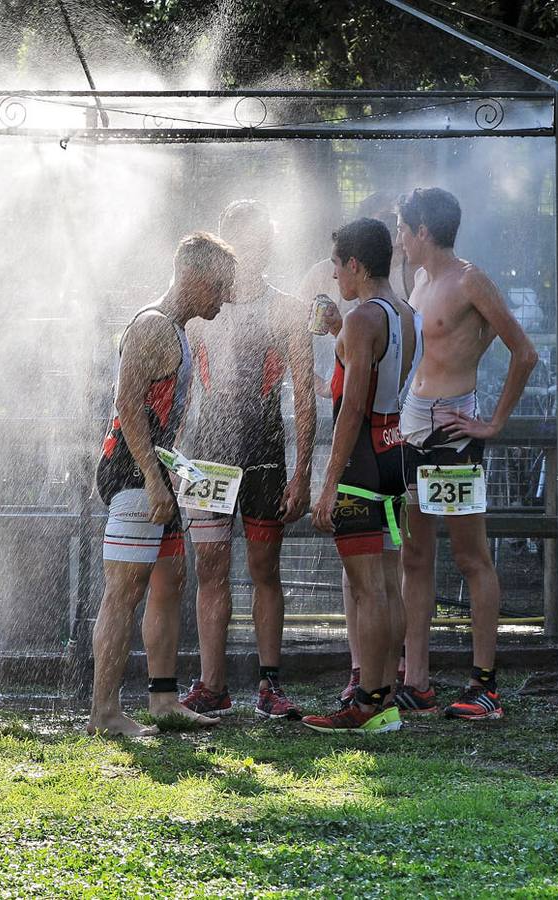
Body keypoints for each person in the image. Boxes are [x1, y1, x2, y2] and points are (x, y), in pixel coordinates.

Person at [396, 187, 537, 719]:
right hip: (412, 430)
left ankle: (484, 685)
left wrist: (492, 423)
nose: (400, 241)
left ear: (423, 232)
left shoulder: (471, 280)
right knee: (414, 556)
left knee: (470, 556)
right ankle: (417, 680)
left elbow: (524, 353)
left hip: (456, 435)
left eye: (403, 230)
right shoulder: (419, 280)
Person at [88, 232, 236, 737]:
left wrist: (173, 470)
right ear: (193, 279)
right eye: (219, 287)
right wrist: (153, 478)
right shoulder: (152, 326)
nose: (224, 299)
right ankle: (103, 712)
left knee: (169, 580)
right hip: (133, 474)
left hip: (156, 473)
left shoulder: (175, 328)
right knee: (122, 593)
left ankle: (164, 699)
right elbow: (127, 406)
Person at [177, 200, 315, 720]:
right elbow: (182, 390)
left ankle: (269, 684)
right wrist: (169, 463)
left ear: (270, 242)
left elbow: (304, 392)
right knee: (209, 568)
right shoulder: (197, 311)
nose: (251, 249)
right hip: (207, 450)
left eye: (260, 238)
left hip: (263, 452)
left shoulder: (285, 308)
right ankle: (213, 686)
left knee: (264, 569)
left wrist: (302, 474)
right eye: (239, 238)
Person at [301, 217, 421, 734]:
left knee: (367, 587)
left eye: (335, 266)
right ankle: (386, 696)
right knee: (389, 586)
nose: (332, 277)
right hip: (396, 452)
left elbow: (351, 410)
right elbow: (376, 365)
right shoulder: (404, 312)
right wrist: (337, 331)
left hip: (361, 461)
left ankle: (368, 702)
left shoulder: (361, 320)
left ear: (354, 264)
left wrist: (327, 485)